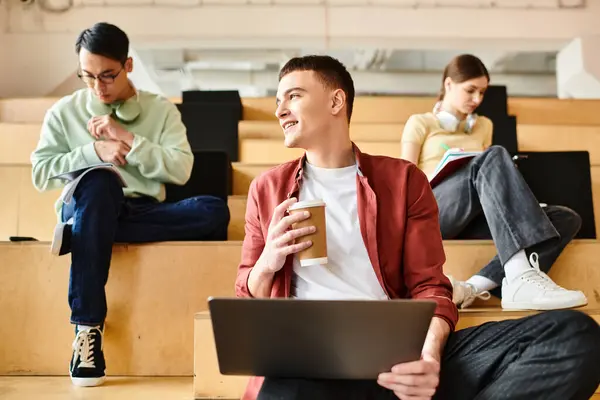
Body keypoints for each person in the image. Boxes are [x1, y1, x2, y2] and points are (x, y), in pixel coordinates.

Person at [234, 55, 600, 400]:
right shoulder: (267, 189)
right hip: (310, 360)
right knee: (282, 387)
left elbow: (430, 286)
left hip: (399, 353)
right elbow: (247, 303)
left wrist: (428, 356)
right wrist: (268, 260)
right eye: (278, 99)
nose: (279, 109)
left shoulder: (403, 180)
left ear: (336, 102)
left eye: (293, 96)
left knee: (574, 337)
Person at [30, 22, 230, 387]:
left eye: (107, 75)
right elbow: (40, 172)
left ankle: (85, 234)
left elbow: (181, 169)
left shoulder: (161, 111)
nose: (97, 86)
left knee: (213, 209)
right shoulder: (64, 111)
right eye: (87, 76)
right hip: (87, 202)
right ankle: (88, 328)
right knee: (101, 180)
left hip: (141, 211)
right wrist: (93, 152)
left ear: (128, 65)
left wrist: (128, 140)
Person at [400, 54, 587, 311]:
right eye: (470, 90)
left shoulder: (484, 125)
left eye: (482, 92)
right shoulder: (420, 123)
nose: (477, 100)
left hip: (475, 213)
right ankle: (521, 276)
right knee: (494, 155)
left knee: (565, 218)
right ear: (448, 85)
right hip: (435, 212)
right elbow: (404, 185)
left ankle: (473, 288)